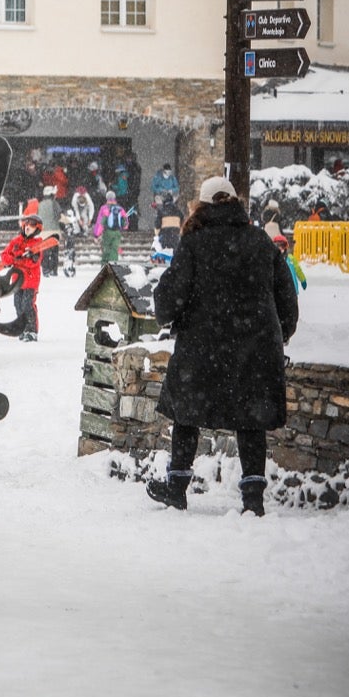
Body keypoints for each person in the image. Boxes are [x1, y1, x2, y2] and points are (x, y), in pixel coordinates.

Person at [148, 176, 299, 516]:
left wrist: (164, 310)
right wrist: (282, 333)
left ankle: (176, 489)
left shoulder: (193, 243)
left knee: (186, 414)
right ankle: (253, 498)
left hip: (203, 348)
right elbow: (286, 296)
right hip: (255, 348)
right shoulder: (261, 242)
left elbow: (170, 299)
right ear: (234, 203)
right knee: (251, 419)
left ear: (201, 206)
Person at [0, 206, 48, 342]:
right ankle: (23, 328)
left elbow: (33, 263)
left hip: (31, 281)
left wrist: (21, 259)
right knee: (18, 305)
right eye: (26, 224)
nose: (27, 227)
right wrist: (15, 259)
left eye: (32, 225)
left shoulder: (38, 244)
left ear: (37, 229)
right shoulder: (16, 241)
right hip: (17, 280)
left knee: (28, 305)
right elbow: (4, 256)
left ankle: (32, 330)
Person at [94, 190, 129, 263]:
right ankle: (113, 267)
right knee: (114, 251)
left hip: (107, 232)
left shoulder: (104, 208)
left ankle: (105, 269)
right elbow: (125, 223)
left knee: (106, 251)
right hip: (117, 233)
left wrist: (96, 235)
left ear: (106, 198)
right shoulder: (120, 208)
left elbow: (99, 223)